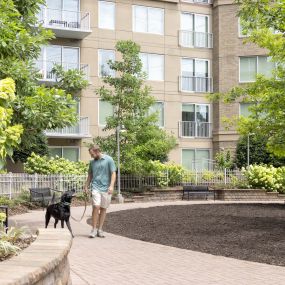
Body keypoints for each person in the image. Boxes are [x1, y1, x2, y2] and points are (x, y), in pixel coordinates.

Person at [84, 145, 116, 238]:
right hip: (95, 187)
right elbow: (90, 175)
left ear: (97, 151)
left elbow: (113, 173)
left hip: (106, 188)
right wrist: (86, 186)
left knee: (103, 208)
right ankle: (93, 229)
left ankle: (100, 229)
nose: (91, 156)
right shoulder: (92, 162)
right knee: (96, 206)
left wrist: (111, 186)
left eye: (92, 154)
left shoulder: (109, 159)